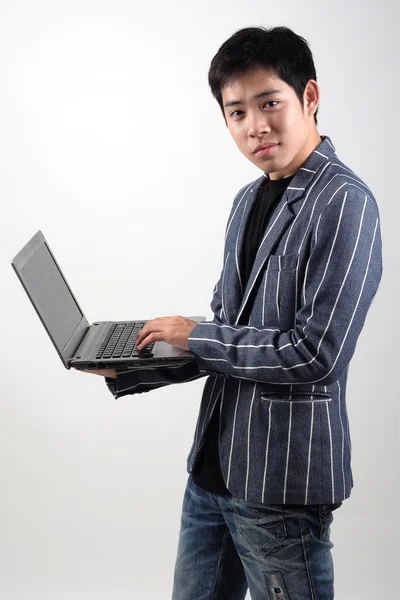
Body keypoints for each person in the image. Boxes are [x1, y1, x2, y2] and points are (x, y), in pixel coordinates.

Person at [81, 26, 383, 600]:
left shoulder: (346, 204)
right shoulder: (247, 201)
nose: (255, 126)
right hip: (212, 476)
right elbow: (224, 337)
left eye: (270, 103)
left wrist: (196, 336)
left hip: (281, 489)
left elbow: (316, 355)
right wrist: (135, 365)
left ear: (310, 97)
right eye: (236, 111)